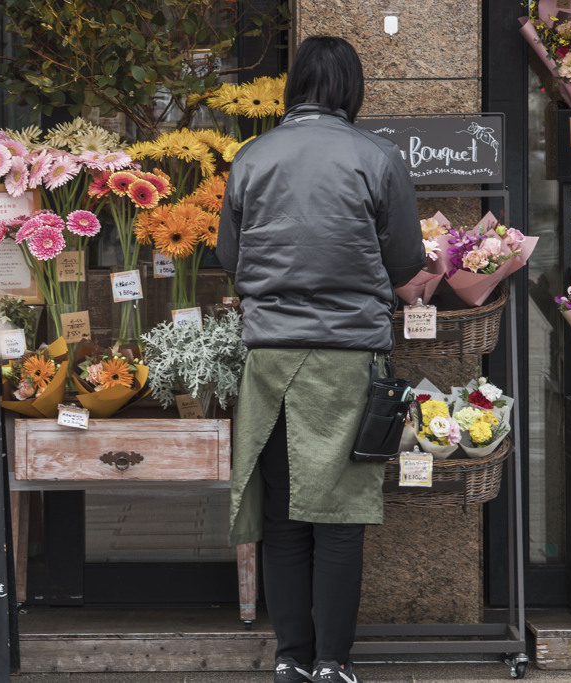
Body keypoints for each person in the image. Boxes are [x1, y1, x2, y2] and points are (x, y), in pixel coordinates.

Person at [217, 36, 425, 683]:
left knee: (282, 521)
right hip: (348, 363)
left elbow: (229, 257)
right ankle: (333, 662)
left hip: (271, 363)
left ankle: (290, 658)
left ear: (293, 87)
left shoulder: (250, 159)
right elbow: (406, 263)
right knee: (341, 518)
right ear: (351, 91)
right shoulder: (378, 157)